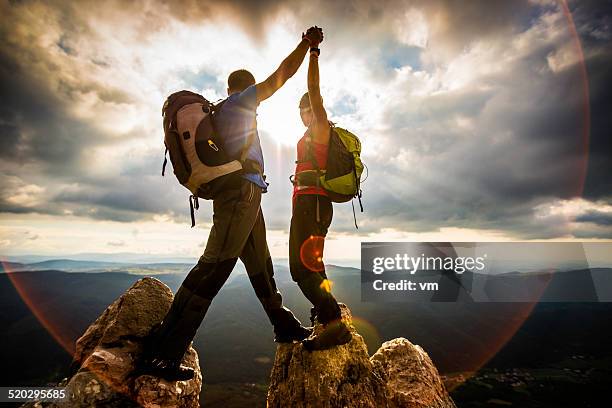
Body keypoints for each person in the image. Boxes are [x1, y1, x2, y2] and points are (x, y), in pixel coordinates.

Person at [141, 27, 325, 381]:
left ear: (226, 88)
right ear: (243, 89)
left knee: (261, 267)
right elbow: (281, 77)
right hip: (240, 194)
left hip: (246, 194)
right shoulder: (242, 102)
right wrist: (307, 45)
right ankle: (163, 353)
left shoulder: (222, 109)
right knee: (214, 267)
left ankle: (283, 325)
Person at [290, 27, 352, 351]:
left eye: (304, 109)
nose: (302, 115)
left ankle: (333, 325)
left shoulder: (320, 125)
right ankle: (324, 314)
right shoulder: (313, 133)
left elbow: (313, 88)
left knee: (298, 268)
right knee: (314, 265)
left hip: (311, 204)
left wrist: (312, 51)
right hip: (312, 204)